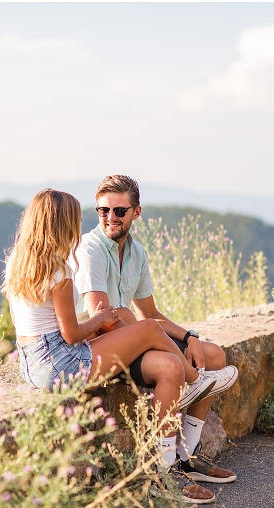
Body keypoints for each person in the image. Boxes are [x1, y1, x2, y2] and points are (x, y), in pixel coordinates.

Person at [2, 188, 218, 504]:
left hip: (32, 362)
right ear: (63, 224)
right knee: (146, 328)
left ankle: (190, 387)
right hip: (63, 363)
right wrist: (101, 319)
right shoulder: (59, 270)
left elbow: (40, 326)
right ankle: (196, 381)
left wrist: (93, 326)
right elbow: (72, 335)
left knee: (141, 327)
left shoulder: (18, 263)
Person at [73, 174, 239, 490]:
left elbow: (149, 314)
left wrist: (190, 338)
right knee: (170, 366)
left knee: (213, 355)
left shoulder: (137, 252)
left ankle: (189, 456)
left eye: (119, 211)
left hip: (136, 335)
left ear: (136, 212)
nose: (110, 217)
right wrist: (155, 342)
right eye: (103, 210)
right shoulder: (90, 249)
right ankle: (164, 472)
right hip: (105, 347)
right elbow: (102, 317)